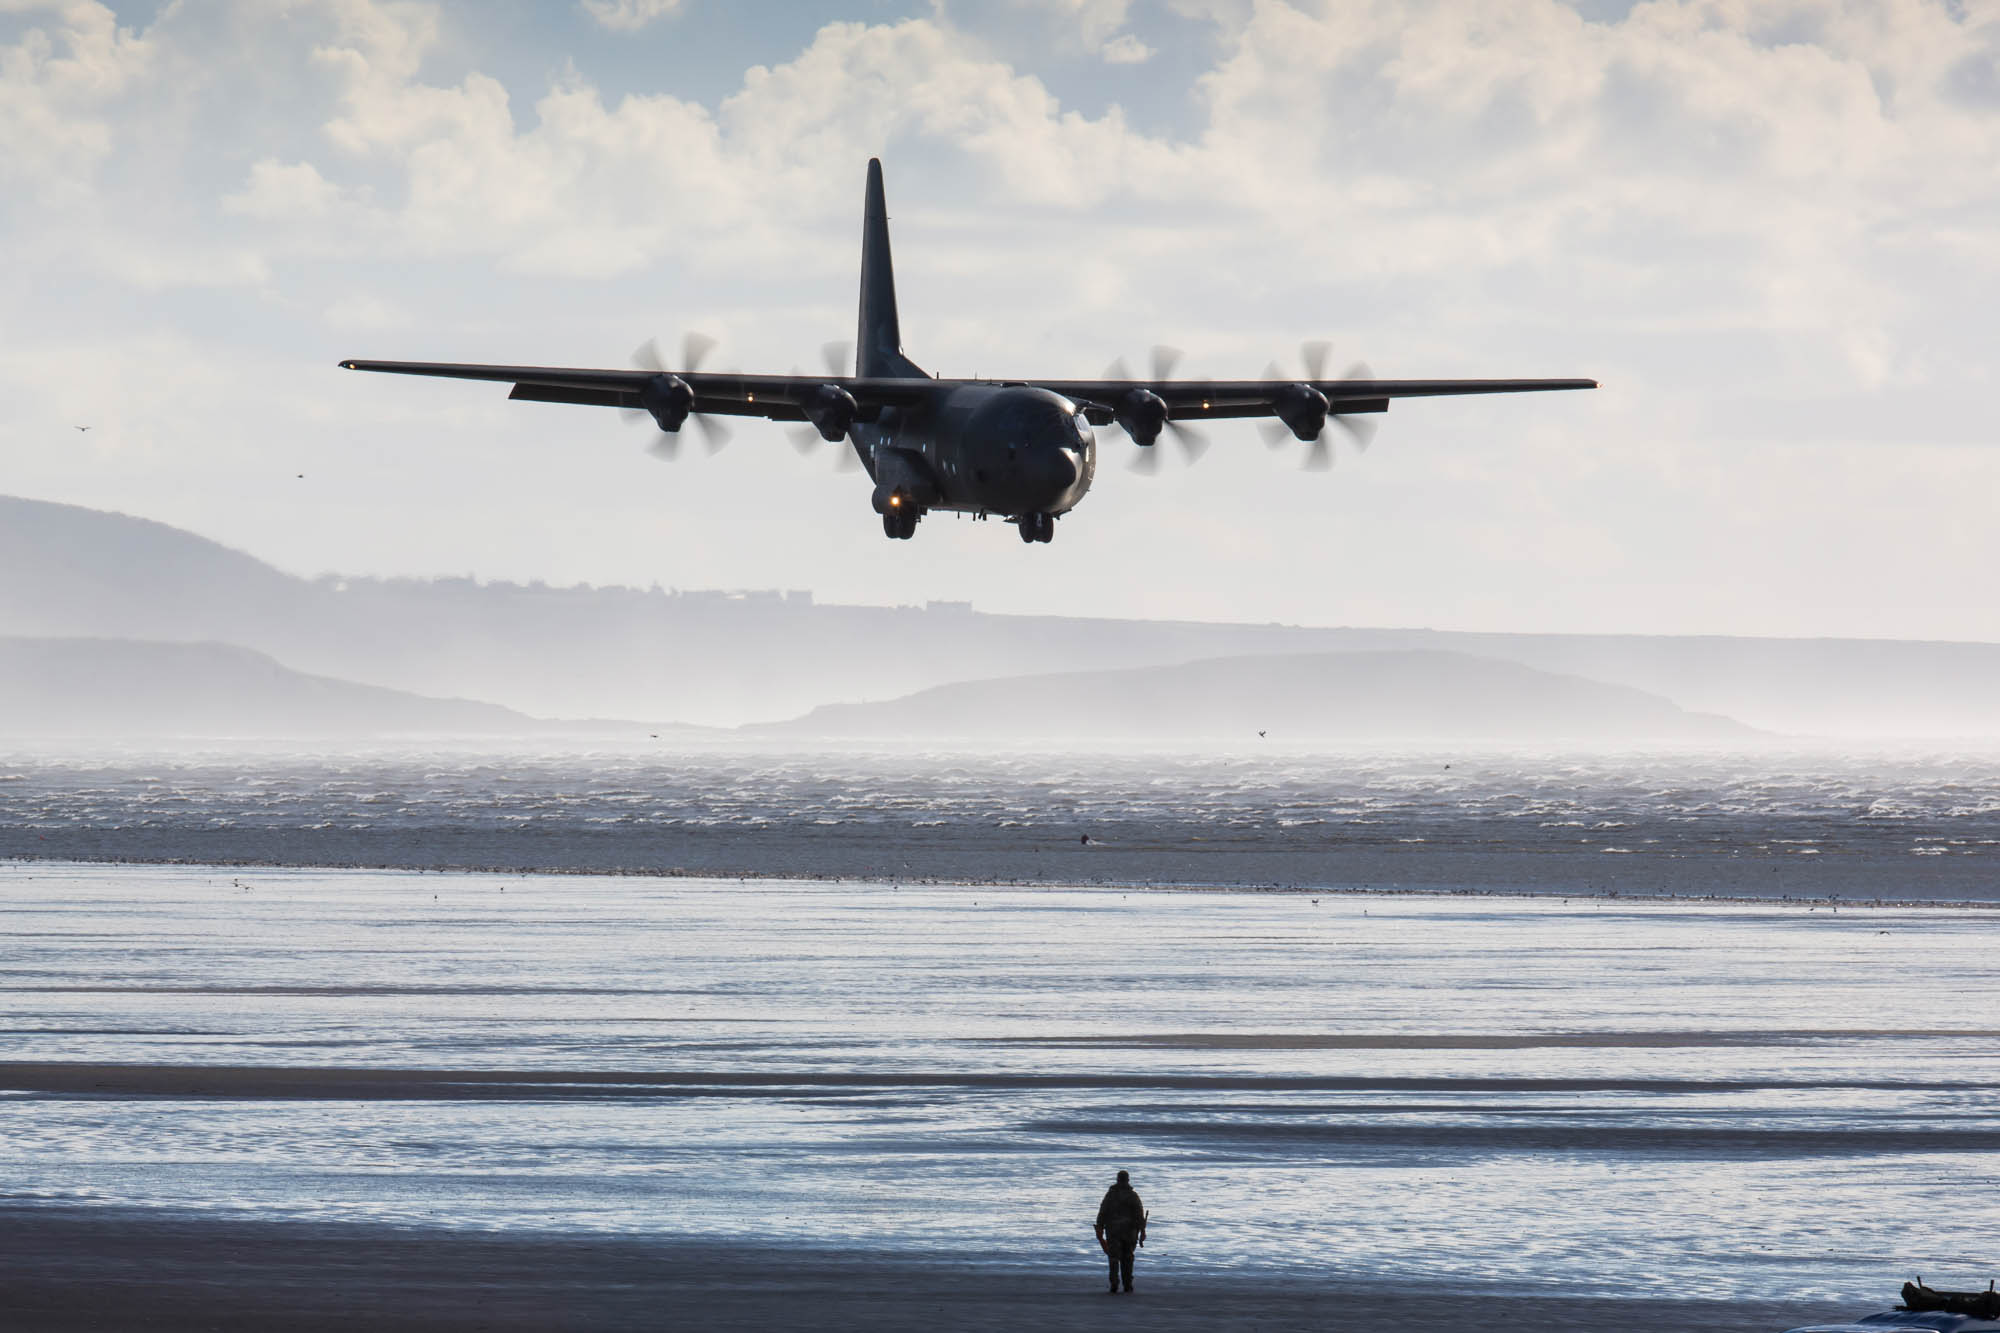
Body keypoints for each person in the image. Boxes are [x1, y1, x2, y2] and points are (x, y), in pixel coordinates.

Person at [1093, 1169, 1147, 1294]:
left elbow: (1102, 1212)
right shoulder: (1133, 1196)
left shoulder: (1110, 1195)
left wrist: (1100, 1227)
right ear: (1128, 1180)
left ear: (1117, 1180)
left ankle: (1114, 1283)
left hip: (1113, 1231)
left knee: (1113, 1257)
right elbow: (1139, 1214)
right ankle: (1127, 1284)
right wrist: (1142, 1230)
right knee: (1128, 1258)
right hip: (1130, 1232)